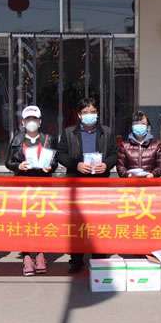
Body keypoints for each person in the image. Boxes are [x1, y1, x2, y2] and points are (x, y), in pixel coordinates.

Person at [56, 96, 118, 273]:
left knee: (99, 220)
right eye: (85, 112)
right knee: (77, 222)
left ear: (97, 113)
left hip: (99, 184)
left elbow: (114, 153)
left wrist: (107, 164)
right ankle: (76, 259)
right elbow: (61, 154)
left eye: (93, 111)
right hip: (77, 183)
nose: (89, 115)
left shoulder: (107, 132)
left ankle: (99, 256)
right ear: (79, 115)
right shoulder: (69, 132)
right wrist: (76, 165)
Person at [5, 105, 57, 276]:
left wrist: (50, 167)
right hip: (23, 187)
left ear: (40, 121)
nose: (31, 122)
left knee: (42, 220)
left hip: (43, 186)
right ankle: (27, 256)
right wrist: (18, 166)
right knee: (25, 222)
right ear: (23, 122)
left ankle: (41, 254)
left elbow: (54, 161)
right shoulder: (16, 140)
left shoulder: (48, 139)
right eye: (28, 119)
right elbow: (8, 162)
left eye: (34, 119)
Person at [116, 111, 161, 178]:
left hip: (150, 182)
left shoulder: (157, 145)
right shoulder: (124, 146)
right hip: (130, 182)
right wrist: (128, 175)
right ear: (132, 126)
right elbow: (120, 166)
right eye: (136, 123)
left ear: (148, 126)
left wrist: (152, 175)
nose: (139, 126)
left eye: (143, 123)